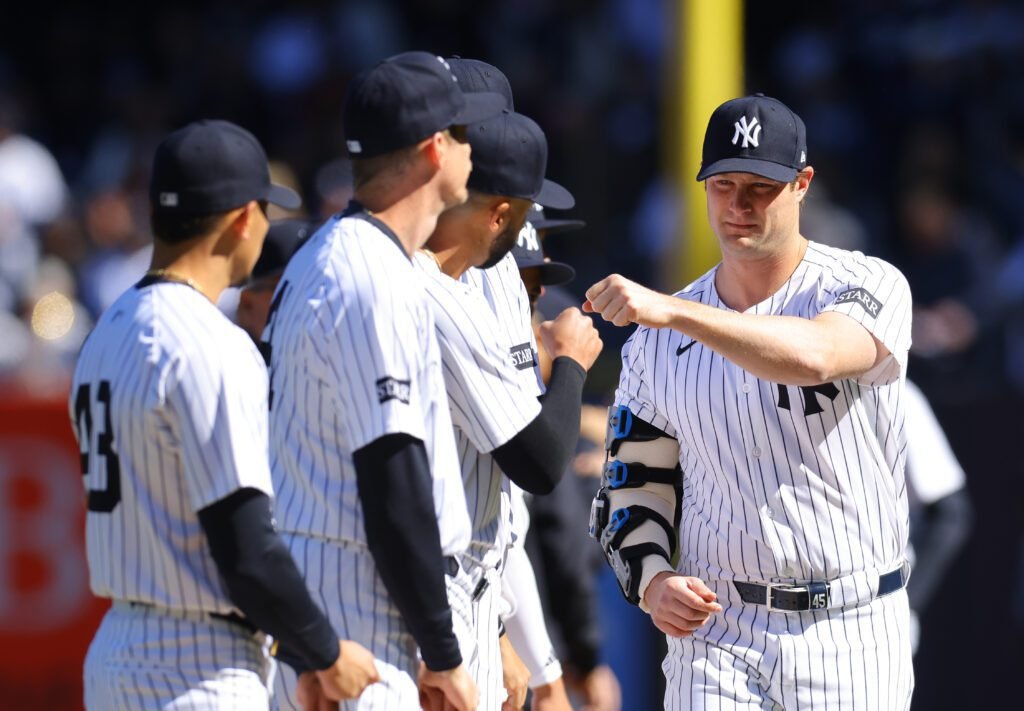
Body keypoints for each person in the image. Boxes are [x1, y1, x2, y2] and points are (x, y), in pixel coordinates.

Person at [585, 94, 915, 709]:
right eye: (723, 184)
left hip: (848, 626)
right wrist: (654, 581)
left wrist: (677, 311)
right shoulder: (658, 342)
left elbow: (816, 355)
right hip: (718, 631)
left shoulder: (865, 282)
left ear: (802, 184)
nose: (738, 205)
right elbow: (631, 484)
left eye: (760, 186)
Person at [69, 119, 379, 710]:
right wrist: (325, 653)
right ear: (243, 219)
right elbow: (247, 547)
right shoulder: (210, 340)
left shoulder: (104, 330)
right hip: (196, 665)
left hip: (115, 650)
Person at [264, 52, 504, 711]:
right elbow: (392, 480)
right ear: (432, 150)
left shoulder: (323, 253)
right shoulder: (374, 276)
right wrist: (444, 650)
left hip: (325, 591)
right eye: (461, 133)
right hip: (360, 607)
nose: (470, 148)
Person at [414, 103, 603, 709]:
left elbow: (509, 529)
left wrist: (509, 640)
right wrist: (570, 364)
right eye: (531, 269)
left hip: (462, 602)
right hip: (425, 608)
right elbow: (542, 470)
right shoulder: (444, 288)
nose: (538, 289)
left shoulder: (400, 272)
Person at [510, 218, 623, 711]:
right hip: (525, 652)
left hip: (511, 641)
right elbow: (564, 544)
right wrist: (586, 657)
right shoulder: (531, 413)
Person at [235, 218, 316, 342]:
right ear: (247, 303)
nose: (306, 301)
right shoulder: (219, 355)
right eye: (289, 290)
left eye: (312, 285)